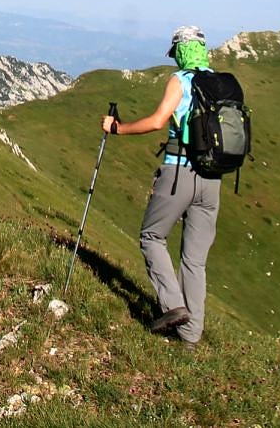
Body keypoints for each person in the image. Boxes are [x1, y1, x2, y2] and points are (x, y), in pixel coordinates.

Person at [100, 25, 221, 347]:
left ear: (180, 52)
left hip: (179, 172)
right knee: (194, 260)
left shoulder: (181, 80)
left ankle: (173, 307)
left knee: (152, 236)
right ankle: (190, 339)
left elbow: (157, 121)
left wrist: (118, 129)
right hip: (213, 179)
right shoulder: (221, 83)